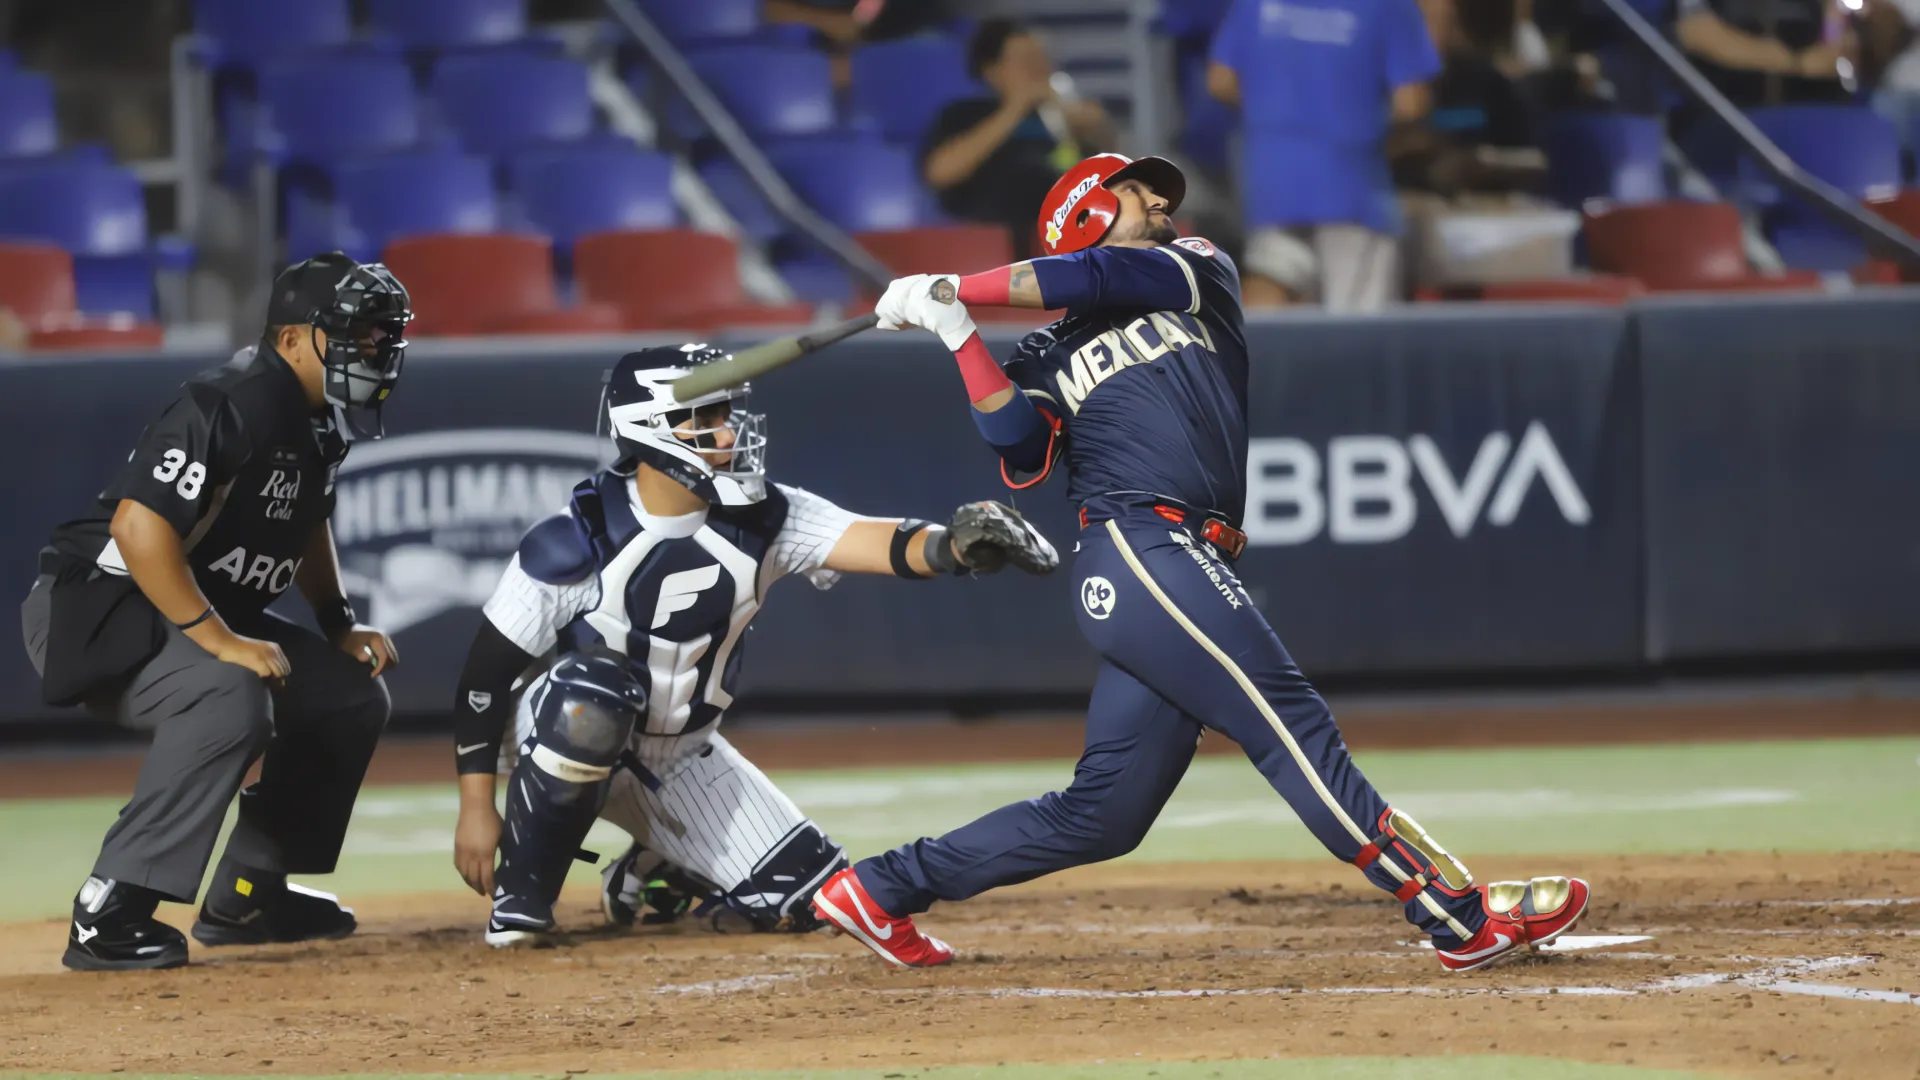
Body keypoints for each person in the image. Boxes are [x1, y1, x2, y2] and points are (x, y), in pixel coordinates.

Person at [805, 153, 1591, 972]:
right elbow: (1022, 447)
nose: (1155, 198)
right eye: (1133, 191)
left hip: (1173, 557)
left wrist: (958, 288)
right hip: (1139, 548)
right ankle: (1454, 916)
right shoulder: (1043, 351)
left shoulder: (1192, 269)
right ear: (1082, 212)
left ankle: (882, 888)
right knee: (1289, 724)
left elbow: (1098, 273)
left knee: (1104, 813)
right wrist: (958, 336)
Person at [447, 344, 1059, 945]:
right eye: (704, 418)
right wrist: (476, 807)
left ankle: (650, 870)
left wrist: (953, 545)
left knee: (813, 901)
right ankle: (522, 902)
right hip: (556, 729)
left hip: (681, 752)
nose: (726, 432)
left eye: (725, 413)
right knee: (592, 700)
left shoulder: (767, 514)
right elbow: (484, 677)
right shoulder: (576, 536)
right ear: (651, 430)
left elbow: (879, 542)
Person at [20, 253, 412, 971]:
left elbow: (305, 522)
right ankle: (109, 910)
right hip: (98, 607)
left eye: (380, 337)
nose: (372, 352)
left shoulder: (319, 417)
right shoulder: (230, 400)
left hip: (187, 608)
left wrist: (337, 623)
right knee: (232, 695)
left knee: (348, 696)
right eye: (354, 336)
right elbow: (139, 529)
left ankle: (247, 894)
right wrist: (221, 639)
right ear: (294, 340)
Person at [1207, 0, 1441, 311]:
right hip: (1352, 189)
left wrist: (1276, 116)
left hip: (1273, 185)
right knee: (1356, 338)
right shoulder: (1389, 5)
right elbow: (1410, 103)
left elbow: (1220, 80)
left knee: (1276, 331)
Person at [921, 19, 1116, 259]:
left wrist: (1097, 127)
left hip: (1068, 239)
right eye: (1024, 61)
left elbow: (1112, 171)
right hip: (988, 245)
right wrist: (1015, 108)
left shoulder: (1066, 117)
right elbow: (940, 172)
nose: (1038, 69)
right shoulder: (964, 114)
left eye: (1042, 58)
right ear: (992, 70)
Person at [1676, 0, 1853, 107]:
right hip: (1728, 110)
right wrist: (1795, 63)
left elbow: (1836, 22)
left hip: (1818, 102)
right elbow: (1694, 31)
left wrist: (1835, 37)